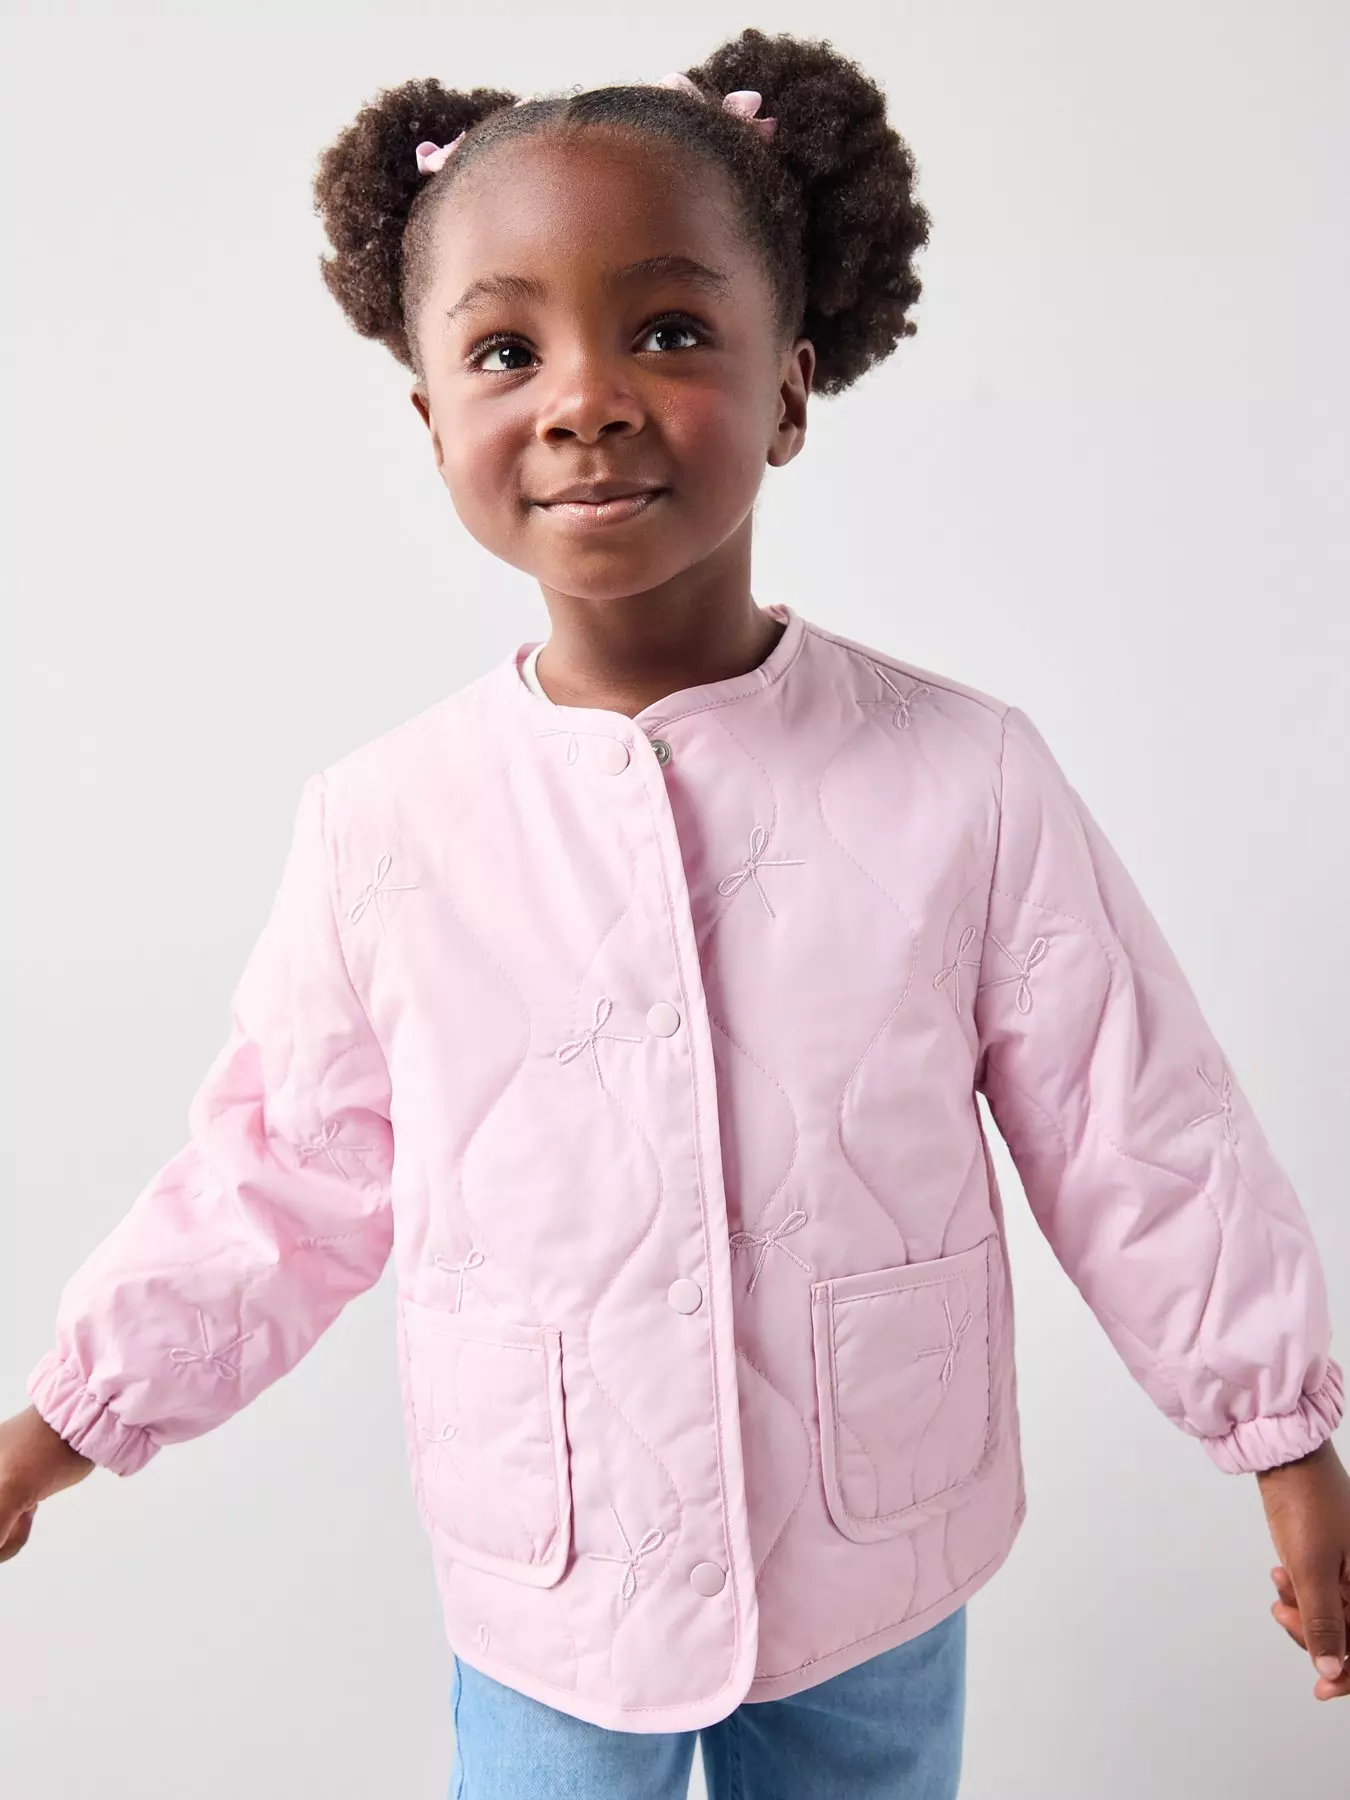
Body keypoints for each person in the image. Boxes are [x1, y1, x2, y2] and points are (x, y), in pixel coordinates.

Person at [2, 26, 1346, 1798]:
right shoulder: (385, 825)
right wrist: (71, 1417)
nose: (586, 398)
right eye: (506, 349)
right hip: (551, 1578)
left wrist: (1280, 1431)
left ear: (789, 387)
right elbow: (275, 1175)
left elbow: (1135, 1129)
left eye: (667, 331)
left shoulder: (964, 777)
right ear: (431, 417)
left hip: (876, 1547)